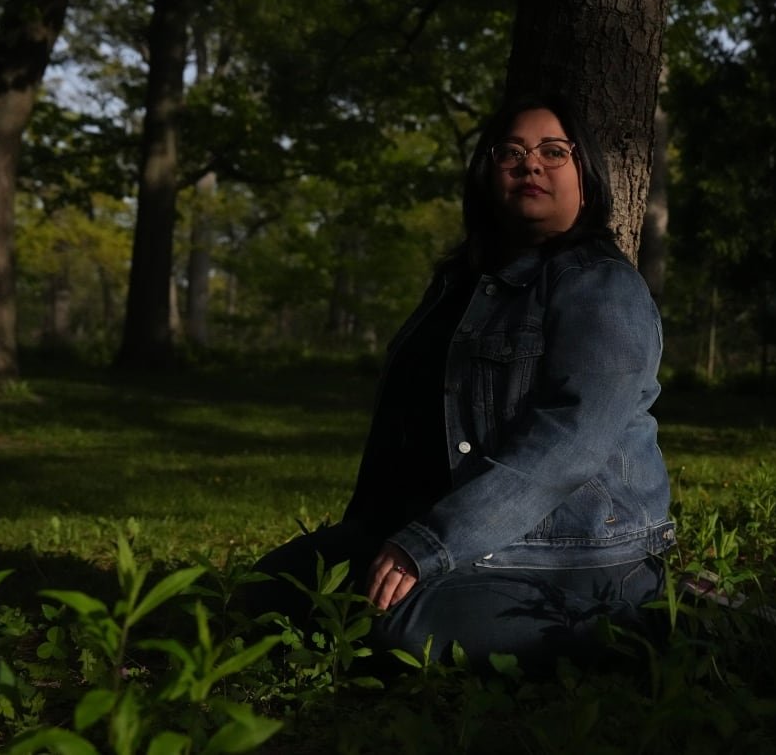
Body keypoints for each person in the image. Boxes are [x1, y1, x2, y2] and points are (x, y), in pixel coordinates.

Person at [246, 93, 675, 671]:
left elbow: (569, 443)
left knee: (398, 634)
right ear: (487, 173)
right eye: (512, 152)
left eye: (554, 151)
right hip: (434, 530)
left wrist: (429, 544)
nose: (531, 164)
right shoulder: (463, 284)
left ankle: (635, 624)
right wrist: (374, 532)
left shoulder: (602, 288)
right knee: (264, 591)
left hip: (573, 555)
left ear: (586, 175)